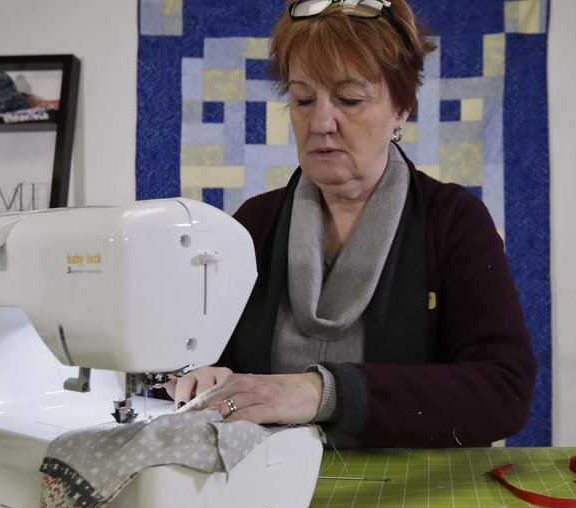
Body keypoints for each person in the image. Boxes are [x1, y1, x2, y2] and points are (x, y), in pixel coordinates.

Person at [168, 0, 537, 448]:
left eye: (349, 99)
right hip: (267, 486)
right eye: (304, 99)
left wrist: (323, 393)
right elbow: (196, 356)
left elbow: (504, 391)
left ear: (401, 108)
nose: (321, 122)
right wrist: (197, 376)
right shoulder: (254, 224)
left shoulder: (454, 222)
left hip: (412, 495)